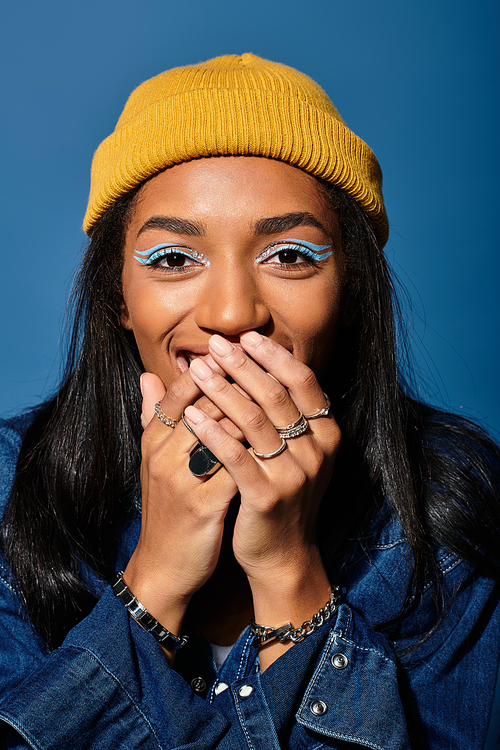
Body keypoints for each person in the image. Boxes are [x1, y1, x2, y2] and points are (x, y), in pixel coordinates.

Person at [0, 53, 498, 749]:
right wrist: (155, 584)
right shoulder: (10, 487)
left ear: (351, 292)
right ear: (118, 294)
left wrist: (289, 570)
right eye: (173, 258)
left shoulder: (454, 503)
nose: (234, 314)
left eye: (290, 254)